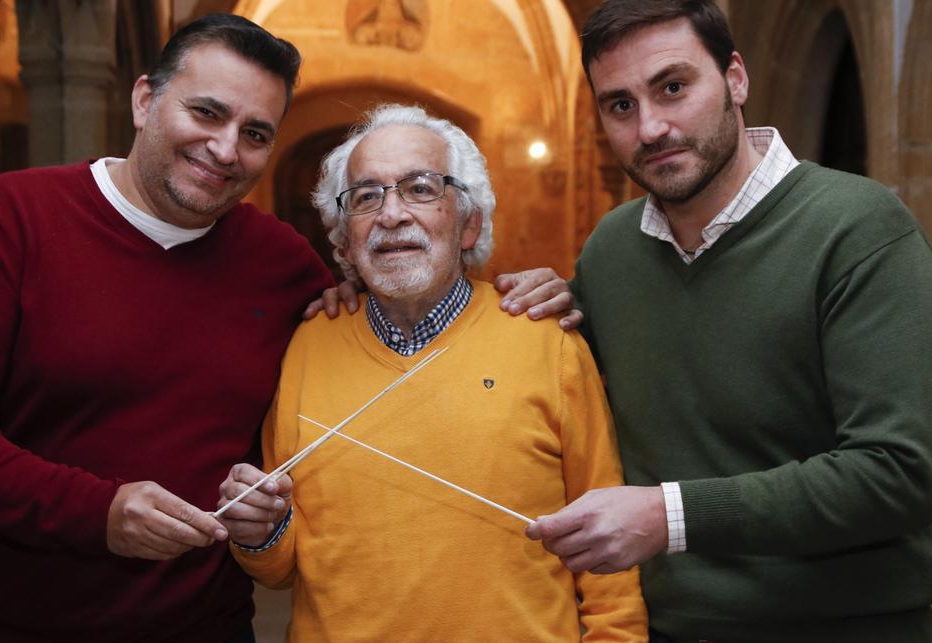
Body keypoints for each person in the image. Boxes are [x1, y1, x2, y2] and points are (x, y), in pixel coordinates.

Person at [0, 15, 572, 643]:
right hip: (8, 627)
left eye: (256, 133)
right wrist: (100, 511)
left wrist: (518, 290)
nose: (224, 148)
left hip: (206, 627)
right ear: (145, 100)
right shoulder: (13, 217)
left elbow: (401, 296)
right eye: (206, 112)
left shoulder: (282, 265)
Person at [525, 0, 932, 643]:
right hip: (662, 629)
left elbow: (897, 474)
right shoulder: (611, 252)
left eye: (673, 87)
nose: (650, 128)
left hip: (848, 628)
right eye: (620, 104)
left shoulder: (858, 228)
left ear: (735, 78)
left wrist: (669, 516)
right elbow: (565, 397)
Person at [217, 104, 648, 642]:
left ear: (469, 224)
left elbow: (611, 557)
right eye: (366, 197)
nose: (391, 214)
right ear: (345, 243)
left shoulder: (547, 341)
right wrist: (258, 530)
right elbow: (280, 569)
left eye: (420, 188)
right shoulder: (308, 345)